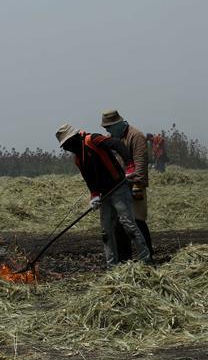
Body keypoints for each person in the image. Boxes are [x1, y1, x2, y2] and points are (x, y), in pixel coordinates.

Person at [56, 123, 150, 266]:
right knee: (106, 233)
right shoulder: (78, 159)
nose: (66, 148)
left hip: (118, 188)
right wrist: (94, 195)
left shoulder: (93, 139)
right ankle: (111, 267)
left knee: (129, 225)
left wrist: (130, 165)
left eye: (67, 144)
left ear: (73, 138)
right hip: (105, 195)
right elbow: (89, 178)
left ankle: (146, 261)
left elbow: (118, 145)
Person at [101, 109, 153, 258]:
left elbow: (140, 162)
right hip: (119, 187)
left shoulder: (136, 136)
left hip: (134, 186)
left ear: (118, 124)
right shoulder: (112, 138)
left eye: (109, 127)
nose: (107, 131)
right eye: (105, 128)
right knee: (119, 224)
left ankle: (148, 256)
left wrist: (138, 185)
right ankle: (125, 260)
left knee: (137, 221)